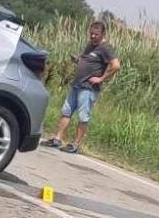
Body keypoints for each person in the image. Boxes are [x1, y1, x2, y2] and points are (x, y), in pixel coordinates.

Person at [45, 21, 121, 154]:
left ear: (103, 34)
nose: (92, 36)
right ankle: (57, 138)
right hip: (77, 84)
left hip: (88, 88)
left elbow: (116, 66)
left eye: (96, 34)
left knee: (83, 116)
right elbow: (86, 58)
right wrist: (78, 60)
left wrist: (101, 78)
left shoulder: (105, 48)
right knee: (66, 111)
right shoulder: (90, 45)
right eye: (91, 33)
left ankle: (75, 144)